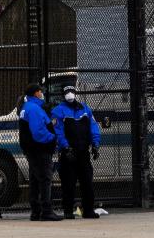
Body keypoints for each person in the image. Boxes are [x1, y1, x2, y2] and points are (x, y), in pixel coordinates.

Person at [51, 84, 101, 219]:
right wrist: (66, 147)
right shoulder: (58, 111)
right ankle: (68, 210)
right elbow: (58, 132)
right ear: (63, 94)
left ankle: (88, 210)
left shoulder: (85, 109)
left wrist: (95, 144)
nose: (69, 94)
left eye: (71, 91)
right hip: (68, 153)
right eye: (67, 92)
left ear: (75, 92)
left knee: (87, 182)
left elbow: (93, 126)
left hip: (83, 151)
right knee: (68, 183)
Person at [18, 83, 62, 221]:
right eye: (40, 91)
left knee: (35, 179)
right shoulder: (34, 108)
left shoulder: (27, 108)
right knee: (45, 179)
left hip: (32, 149)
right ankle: (46, 210)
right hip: (40, 149)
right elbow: (38, 131)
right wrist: (52, 137)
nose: (41, 93)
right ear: (36, 93)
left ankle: (36, 211)